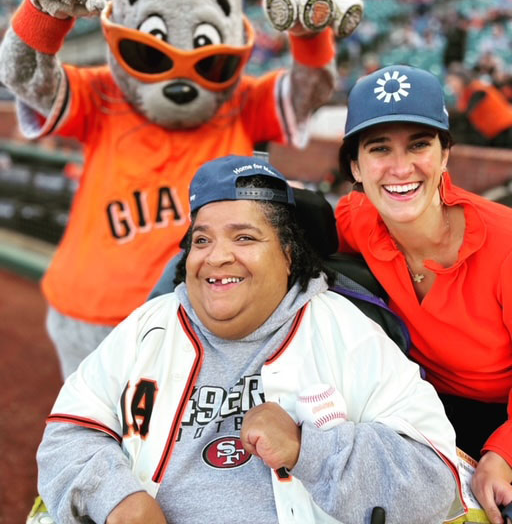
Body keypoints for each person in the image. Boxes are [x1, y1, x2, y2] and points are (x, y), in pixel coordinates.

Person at [36, 154, 464, 524]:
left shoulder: (346, 332)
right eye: (202, 240)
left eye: (244, 237)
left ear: (288, 253)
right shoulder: (149, 327)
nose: (217, 256)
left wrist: (308, 447)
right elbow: (68, 434)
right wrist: (118, 499)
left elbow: (433, 479)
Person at [335, 64, 512, 524]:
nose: (401, 167)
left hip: (501, 417)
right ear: (356, 166)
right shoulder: (356, 221)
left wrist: (503, 453)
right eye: (379, 149)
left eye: (419, 144)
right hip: (421, 411)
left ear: (444, 155)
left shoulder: (504, 242)